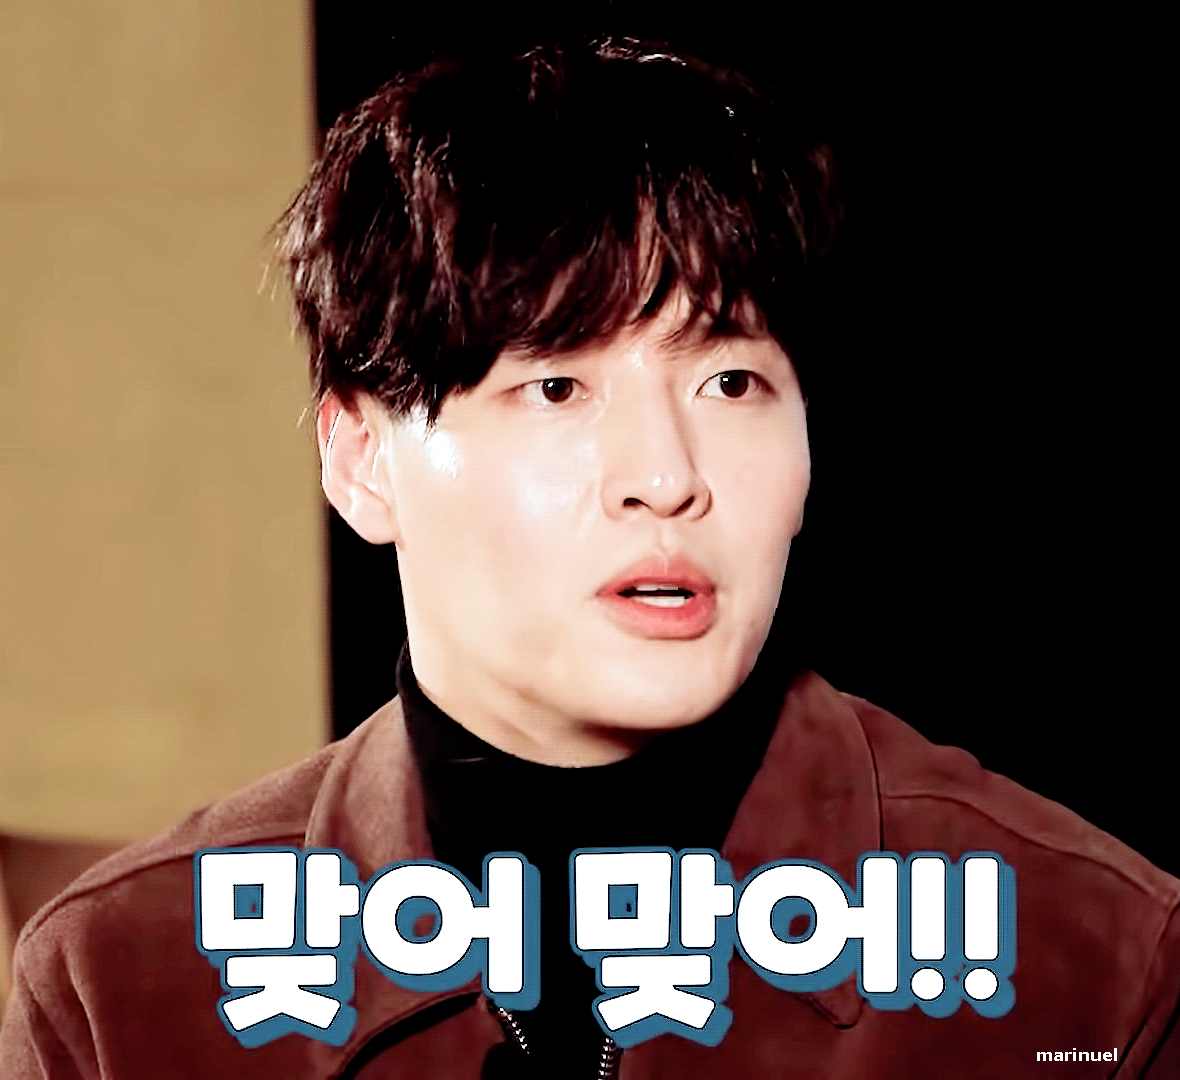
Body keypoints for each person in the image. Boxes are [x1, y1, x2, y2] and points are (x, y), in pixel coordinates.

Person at [2, 38, 1177, 1079]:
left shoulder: (1086, 955)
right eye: (557, 386)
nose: (665, 476)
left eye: (731, 382)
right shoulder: (122, 988)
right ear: (360, 459)